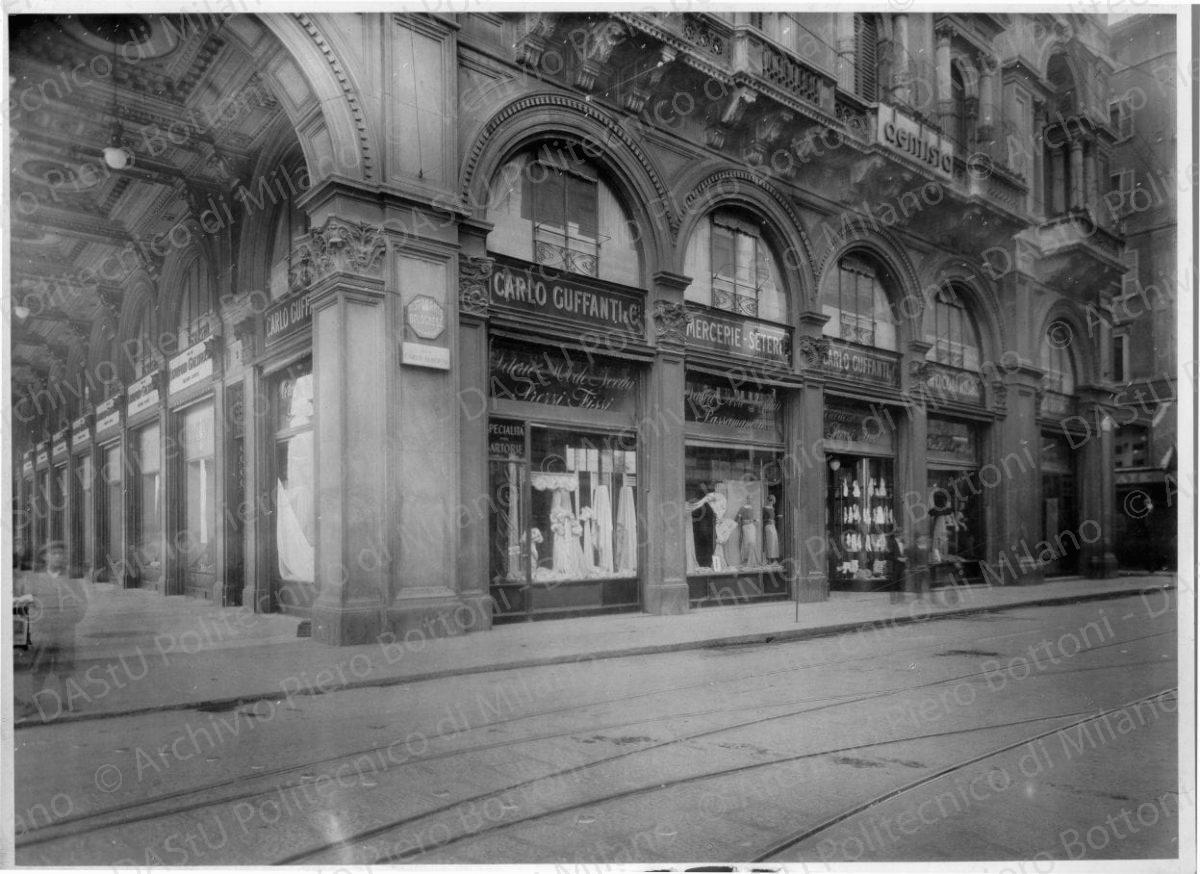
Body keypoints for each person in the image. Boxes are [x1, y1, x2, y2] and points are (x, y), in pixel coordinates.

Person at [885, 525, 908, 604]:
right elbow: (887, 555)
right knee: (894, 583)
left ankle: (901, 599)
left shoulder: (903, 542)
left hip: (902, 565)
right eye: (903, 534)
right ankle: (893, 600)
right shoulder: (891, 542)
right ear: (898, 534)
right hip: (894, 566)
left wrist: (905, 557)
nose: (904, 536)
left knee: (901, 582)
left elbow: (905, 552)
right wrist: (898, 558)